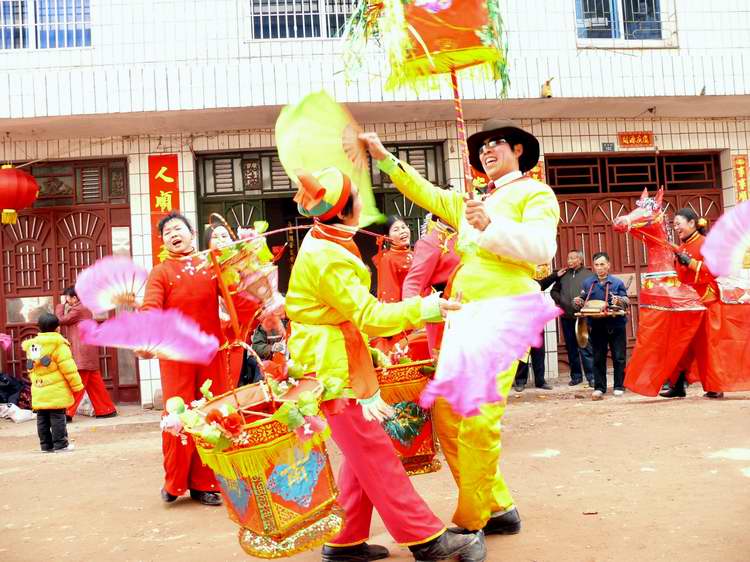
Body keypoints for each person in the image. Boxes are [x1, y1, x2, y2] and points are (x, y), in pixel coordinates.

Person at [360, 118, 560, 537]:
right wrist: (384, 157)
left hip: (506, 309)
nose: (486, 152)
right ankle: (498, 505)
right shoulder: (470, 201)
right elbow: (425, 192)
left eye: (495, 144)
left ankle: (471, 522)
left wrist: (491, 226)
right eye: (481, 148)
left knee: (478, 416)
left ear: (518, 150)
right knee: (449, 416)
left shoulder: (536, 193)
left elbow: (544, 249)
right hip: (466, 315)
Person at [286, 167, 485, 562]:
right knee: (375, 453)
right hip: (334, 367)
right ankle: (427, 541)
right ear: (343, 212)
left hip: (339, 355)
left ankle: (345, 540)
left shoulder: (327, 236)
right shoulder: (328, 256)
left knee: (362, 452)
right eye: (356, 198)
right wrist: (428, 306)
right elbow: (368, 315)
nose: (363, 201)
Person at [142, 212, 260, 506]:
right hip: (176, 355)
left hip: (210, 352)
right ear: (163, 241)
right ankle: (174, 481)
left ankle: (206, 483)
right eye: (167, 232)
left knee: (210, 412)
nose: (173, 234)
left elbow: (237, 299)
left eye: (178, 229)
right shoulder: (161, 272)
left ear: (192, 234)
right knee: (178, 415)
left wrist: (250, 273)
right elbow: (151, 308)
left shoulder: (211, 265)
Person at [660, 209, 732, 399]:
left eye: (678, 224)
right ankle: (677, 385)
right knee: (682, 343)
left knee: (707, 344)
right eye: (674, 225)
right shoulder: (683, 246)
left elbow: (714, 270)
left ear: (692, 223)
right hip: (687, 301)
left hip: (705, 301)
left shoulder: (706, 244)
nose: (676, 228)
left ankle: (714, 386)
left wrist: (690, 263)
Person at [22, 313, 83, 453]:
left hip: (38, 387)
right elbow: (68, 368)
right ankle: (61, 445)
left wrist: (37, 383)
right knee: (57, 417)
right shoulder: (59, 345)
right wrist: (77, 385)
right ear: (57, 328)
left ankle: (46, 446)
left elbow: (31, 368)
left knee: (42, 418)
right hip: (56, 388)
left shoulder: (33, 345)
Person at [402, 213, 460, 357]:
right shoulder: (431, 242)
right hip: (446, 310)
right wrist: (413, 310)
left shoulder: (467, 234)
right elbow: (414, 281)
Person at [204, 222, 254, 389]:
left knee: (232, 385)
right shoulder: (204, 269)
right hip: (213, 340)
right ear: (207, 243)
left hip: (235, 336)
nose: (220, 240)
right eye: (215, 237)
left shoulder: (240, 264)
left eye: (224, 236)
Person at [55, 287, 117, 421]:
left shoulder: (78, 309)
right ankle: (106, 409)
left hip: (83, 353)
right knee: (95, 383)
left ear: (74, 298)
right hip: (87, 352)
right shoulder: (83, 308)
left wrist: (60, 306)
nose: (66, 301)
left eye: (67, 297)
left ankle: (67, 412)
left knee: (78, 383)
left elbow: (60, 320)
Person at [574, 252, 629, 401]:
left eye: (602, 264)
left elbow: (625, 301)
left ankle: (619, 385)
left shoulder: (617, 283)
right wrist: (578, 301)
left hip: (616, 324)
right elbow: (583, 300)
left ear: (608, 265)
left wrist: (618, 301)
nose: (599, 268)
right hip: (597, 325)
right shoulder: (588, 283)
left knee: (619, 357)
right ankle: (599, 387)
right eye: (597, 265)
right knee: (598, 357)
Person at [547, 251, 595, 387]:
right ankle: (576, 376)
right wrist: (560, 300)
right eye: (569, 258)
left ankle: (591, 376)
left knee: (585, 346)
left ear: (580, 260)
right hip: (567, 317)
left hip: (583, 317)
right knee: (571, 347)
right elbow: (553, 291)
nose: (570, 261)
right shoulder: (563, 275)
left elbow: (593, 293)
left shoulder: (588, 275)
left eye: (573, 258)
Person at [513, 269, 557, 392]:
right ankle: (520, 381)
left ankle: (540, 381)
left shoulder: (533, 283)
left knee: (539, 353)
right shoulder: (513, 285)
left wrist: (555, 275)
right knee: (522, 354)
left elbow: (543, 283)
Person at [373, 216, 413, 303]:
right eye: (396, 230)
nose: (402, 231)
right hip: (407, 309)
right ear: (387, 237)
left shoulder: (414, 254)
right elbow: (390, 295)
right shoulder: (388, 259)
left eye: (403, 227)